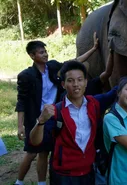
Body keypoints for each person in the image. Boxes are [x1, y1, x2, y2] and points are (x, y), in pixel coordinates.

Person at [15, 34, 99, 185]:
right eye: (41, 52)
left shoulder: (53, 66)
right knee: (31, 153)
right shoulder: (26, 75)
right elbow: (21, 102)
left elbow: (74, 62)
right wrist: (20, 125)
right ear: (32, 56)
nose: (45, 54)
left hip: (52, 117)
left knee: (45, 152)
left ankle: (41, 183)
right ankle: (19, 181)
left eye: (45, 51)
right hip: (36, 118)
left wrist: (93, 49)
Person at [29, 60, 120, 185]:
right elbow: (34, 141)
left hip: (88, 172)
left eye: (80, 80)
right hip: (64, 176)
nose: (76, 84)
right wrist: (41, 122)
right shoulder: (56, 111)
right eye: (70, 81)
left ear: (86, 82)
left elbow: (119, 90)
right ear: (63, 84)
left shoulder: (94, 103)